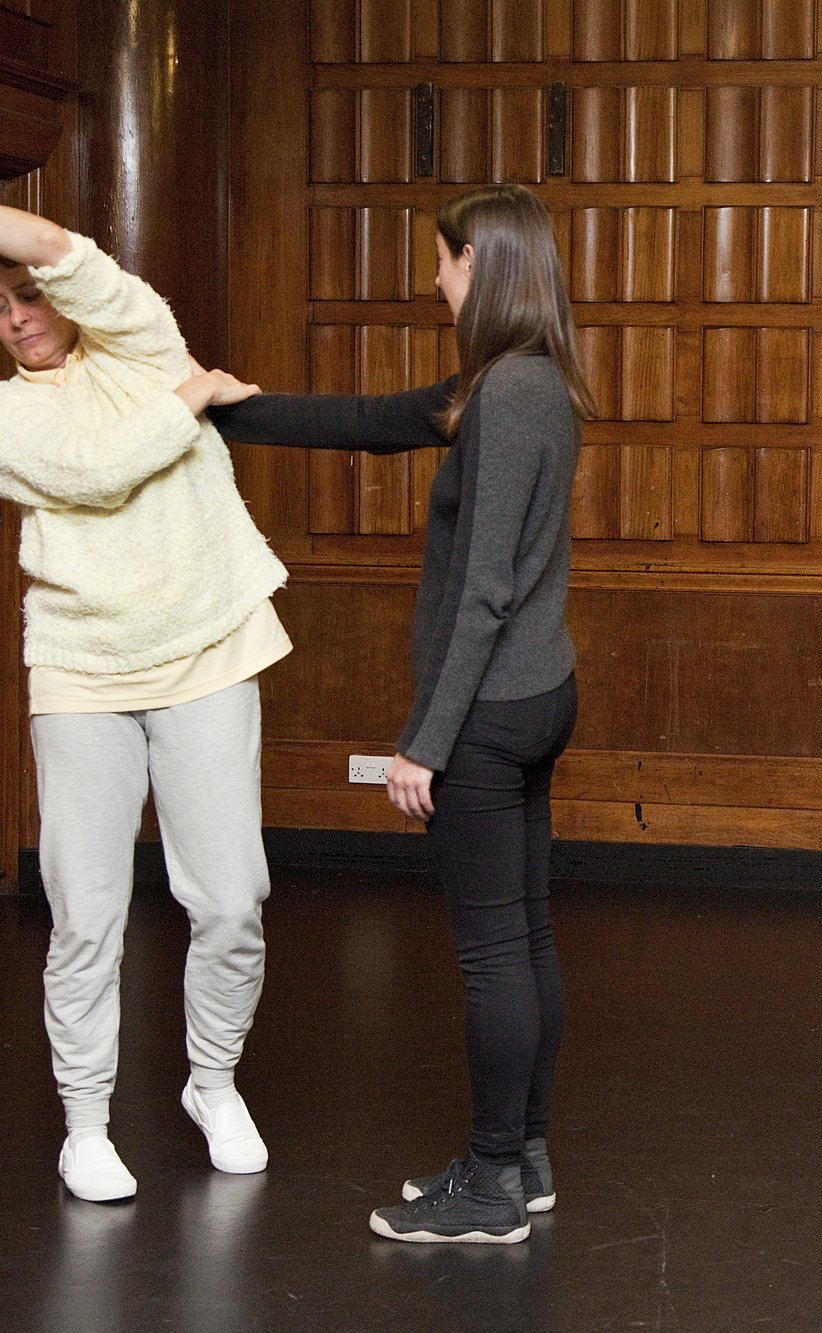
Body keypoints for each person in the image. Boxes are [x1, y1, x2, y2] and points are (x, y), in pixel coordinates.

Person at [0, 186, 289, 1203]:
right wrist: (191, 400)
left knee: (231, 901)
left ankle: (212, 1082)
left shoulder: (140, 341)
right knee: (86, 913)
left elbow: (56, 245)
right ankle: (85, 1122)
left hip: (210, 647)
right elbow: (96, 475)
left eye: (26, 298)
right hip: (82, 670)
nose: (17, 320)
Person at [209, 183, 591, 1244]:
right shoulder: (513, 382)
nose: (433, 279)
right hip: (532, 694)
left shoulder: (510, 394)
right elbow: (373, 423)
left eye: (442, 261)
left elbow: (483, 590)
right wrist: (231, 407)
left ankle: (491, 1182)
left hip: (492, 708)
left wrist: (420, 744)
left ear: (481, 263)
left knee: (492, 954)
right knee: (522, 939)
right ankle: (524, 1160)